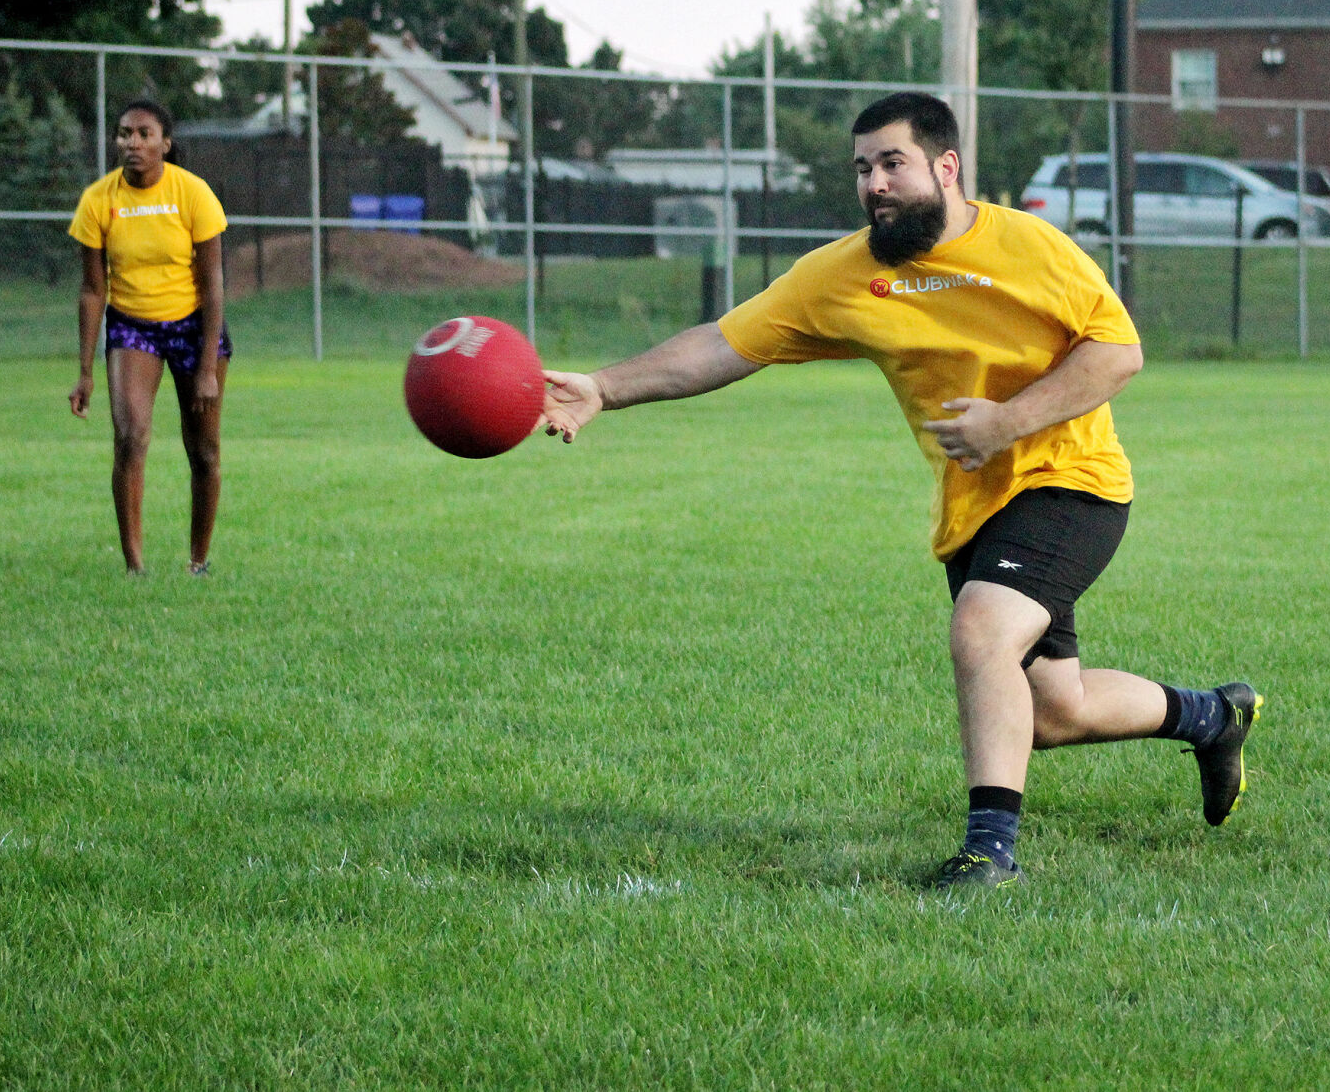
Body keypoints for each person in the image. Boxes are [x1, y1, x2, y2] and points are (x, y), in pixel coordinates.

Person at [539, 92, 1261, 891]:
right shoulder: (843, 276)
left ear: (946, 168)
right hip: (975, 506)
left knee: (981, 631)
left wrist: (1007, 422)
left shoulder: (1030, 247)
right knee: (1055, 711)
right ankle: (1213, 717)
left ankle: (990, 853)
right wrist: (604, 387)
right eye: (862, 168)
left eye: (892, 163)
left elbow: (1117, 353)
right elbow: (723, 343)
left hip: (1072, 483)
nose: (874, 184)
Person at [67, 99, 230, 576]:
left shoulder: (193, 193)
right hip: (133, 324)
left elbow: (214, 284)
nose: (132, 143)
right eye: (124, 134)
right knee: (130, 437)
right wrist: (84, 373)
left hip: (193, 324)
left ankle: (198, 562)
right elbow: (93, 290)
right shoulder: (99, 200)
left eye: (143, 134)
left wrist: (205, 368)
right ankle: (135, 567)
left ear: (165, 142)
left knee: (204, 450)